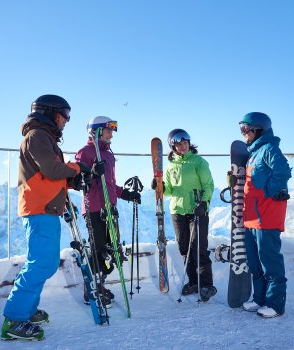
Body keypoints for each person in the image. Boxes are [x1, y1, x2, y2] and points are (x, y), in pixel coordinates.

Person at [1, 94, 91, 340]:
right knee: (40, 263)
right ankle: (14, 319)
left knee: (45, 263)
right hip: (39, 209)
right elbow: (51, 170)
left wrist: (76, 179)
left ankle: (26, 311)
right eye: (65, 115)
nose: (67, 120)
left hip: (46, 208)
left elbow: (50, 175)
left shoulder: (44, 137)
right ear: (50, 113)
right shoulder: (38, 136)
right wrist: (76, 168)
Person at [75, 116, 141, 307]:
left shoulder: (109, 155)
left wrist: (125, 194)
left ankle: (100, 284)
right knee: (99, 250)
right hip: (94, 208)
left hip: (110, 209)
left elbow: (110, 183)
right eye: (108, 130)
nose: (111, 134)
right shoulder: (85, 152)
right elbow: (78, 180)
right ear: (96, 131)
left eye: (112, 130)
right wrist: (91, 172)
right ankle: (92, 291)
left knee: (113, 252)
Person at [239, 112, 292, 318]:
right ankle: (259, 298)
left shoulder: (270, 149)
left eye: (245, 128)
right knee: (255, 262)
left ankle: (275, 304)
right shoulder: (254, 152)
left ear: (258, 129)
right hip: (252, 216)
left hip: (266, 216)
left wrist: (272, 191)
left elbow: (283, 171)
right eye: (241, 128)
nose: (243, 132)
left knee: (270, 261)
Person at [155, 129, 217, 301]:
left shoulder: (199, 162)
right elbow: (169, 190)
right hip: (178, 211)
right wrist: (159, 186)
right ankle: (193, 282)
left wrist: (203, 203)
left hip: (197, 209)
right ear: (172, 146)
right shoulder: (171, 165)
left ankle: (206, 285)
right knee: (185, 249)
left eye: (185, 143)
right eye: (179, 144)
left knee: (198, 247)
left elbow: (209, 185)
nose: (183, 147)